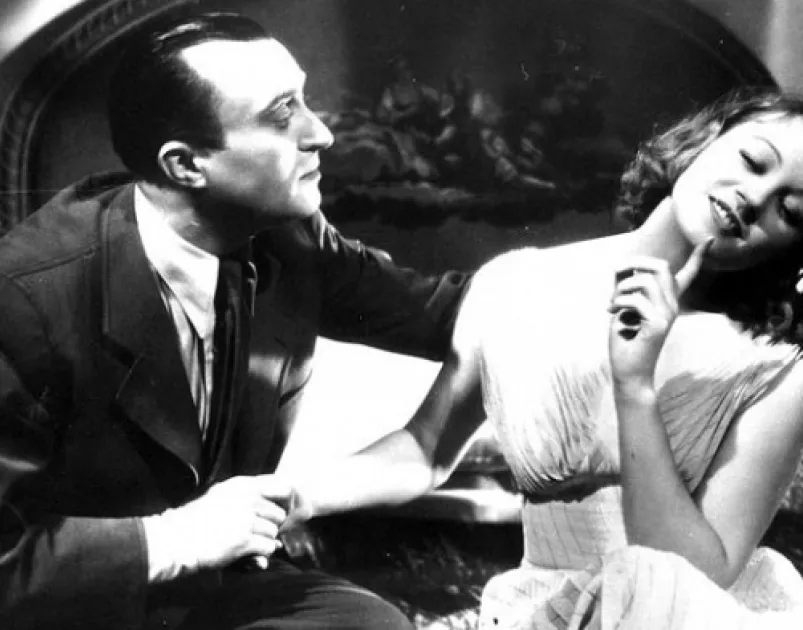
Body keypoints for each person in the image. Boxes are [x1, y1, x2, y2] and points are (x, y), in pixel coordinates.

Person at [0, 11, 470, 630]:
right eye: (282, 115)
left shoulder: (290, 237)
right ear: (185, 166)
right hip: (74, 607)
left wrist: (600, 269)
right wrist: (180, 538)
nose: (322, 133)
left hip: (213, 589)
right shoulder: (22, 298)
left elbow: (445, 311)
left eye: (305, 100)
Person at [283, 89, 803, 627]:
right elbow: (425, 452)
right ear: (706, 139)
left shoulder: (778, 366)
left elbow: (691, 582)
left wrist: (635, 386)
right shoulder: (521, 281)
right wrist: (295, 495)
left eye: (790, 211)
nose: (754, 198)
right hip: (535, 611)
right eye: (753, 161)